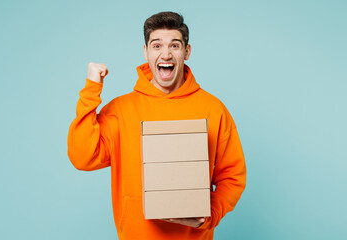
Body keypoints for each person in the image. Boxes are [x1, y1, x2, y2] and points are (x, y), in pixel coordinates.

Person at [67, 11, 246, 240]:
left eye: (175, 45)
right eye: (157, 45)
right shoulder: (121, 110)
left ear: (187, 52)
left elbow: (233, 176)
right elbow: (82, 157)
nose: (166, 54)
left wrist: (210, 213)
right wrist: (92, 88)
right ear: (146, 52)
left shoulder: (213, 109)